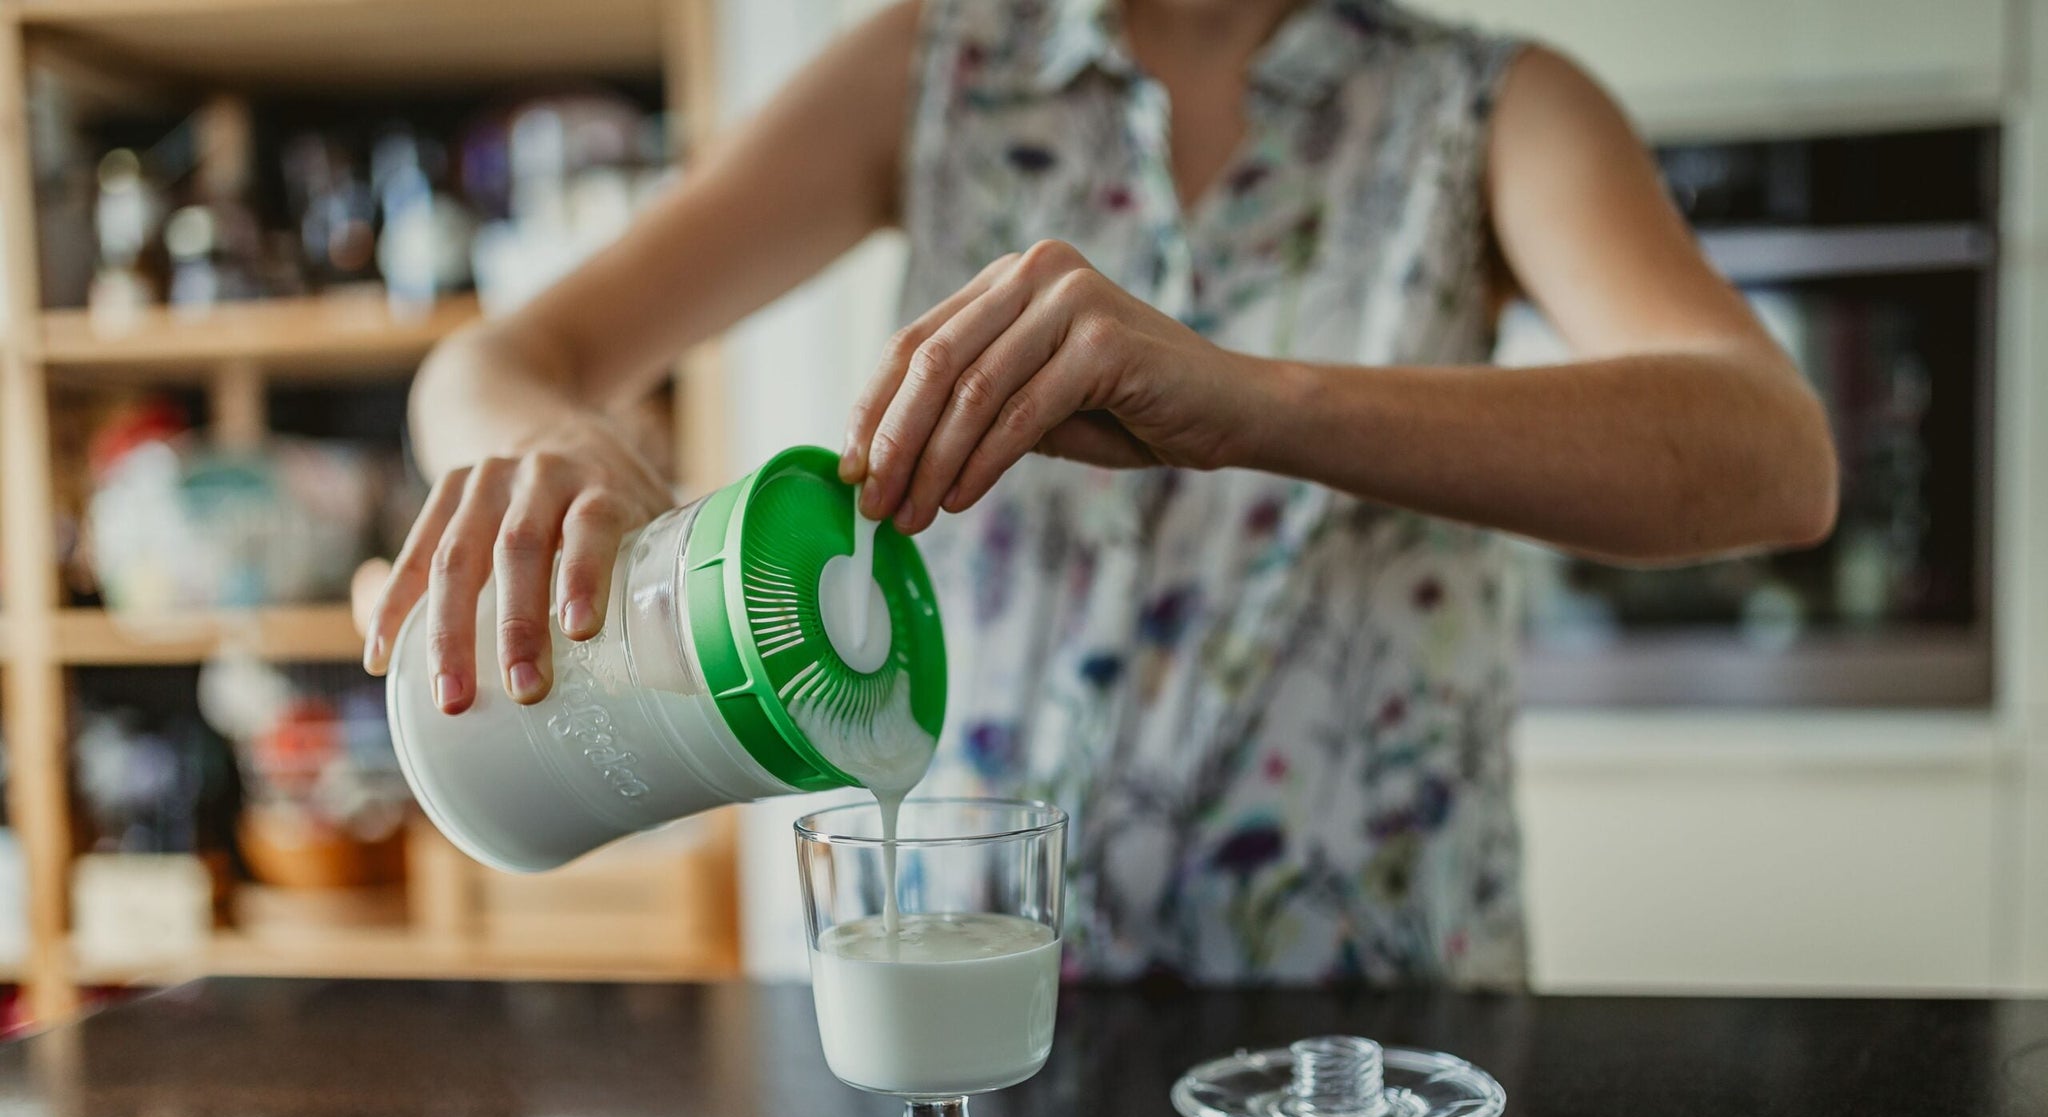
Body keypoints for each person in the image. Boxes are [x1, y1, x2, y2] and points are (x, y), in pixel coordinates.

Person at [361, 0, 1836, 987]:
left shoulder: (1485, 106)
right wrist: (563, 446)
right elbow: (501, 358)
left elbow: (1776, 455)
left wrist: (1262, 401)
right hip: (981, 999)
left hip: (1376, 1027)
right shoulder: (938, 69)